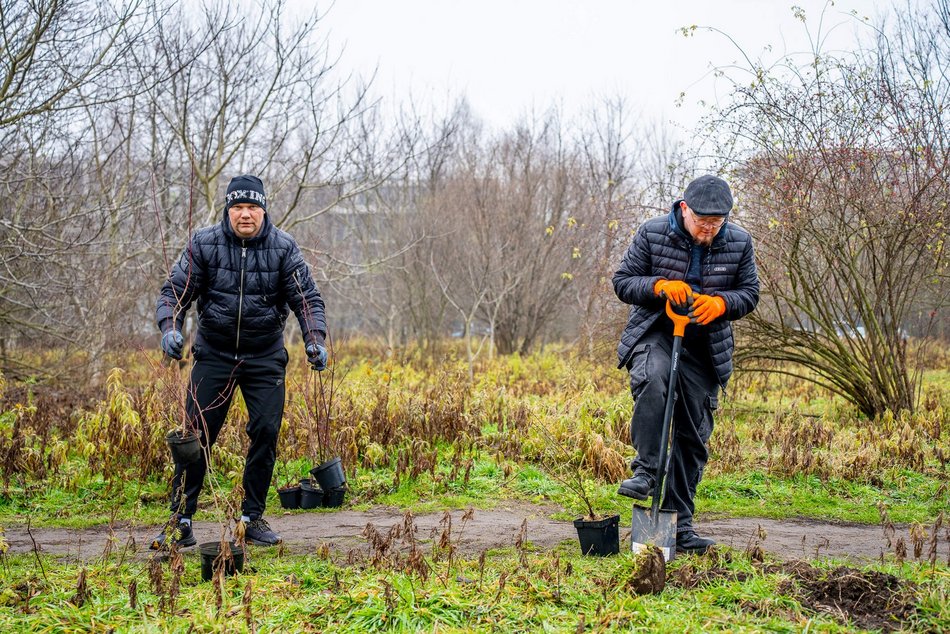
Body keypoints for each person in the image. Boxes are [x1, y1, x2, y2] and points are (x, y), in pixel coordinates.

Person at [151, 174, 328, 549]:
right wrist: (170, 328)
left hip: (264, 357)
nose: (245, 215)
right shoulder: (204, 244)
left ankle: (251, 518)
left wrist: (315, 341)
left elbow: (307, 299)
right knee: (194, 439)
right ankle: (180, 519)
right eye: (238, 207)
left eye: (252, 207)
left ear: (263, 210)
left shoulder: (283, 248)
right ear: (228, 210)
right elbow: (174, 293)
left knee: (266, 432)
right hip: (214, 355)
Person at [612, 174, 759, 554]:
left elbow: (750, 293)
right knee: (654, 378)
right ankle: (646, 471)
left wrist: (722, 304)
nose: (708, 230)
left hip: (706, 345)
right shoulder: (652, 233)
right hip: (656, 332)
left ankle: (678, 527)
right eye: (702, 222)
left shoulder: (740, 242)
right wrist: (659, 287)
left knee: (693, 438)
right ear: (684, 209)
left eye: (716, 223)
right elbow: (623, 282)